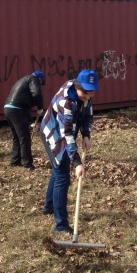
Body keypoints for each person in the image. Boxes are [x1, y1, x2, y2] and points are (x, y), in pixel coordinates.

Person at [41, 69, 99, 234]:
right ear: (77, 86)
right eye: (85, 93)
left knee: (58, 170)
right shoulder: (65, 102)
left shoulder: (85, 95)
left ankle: (49, 207)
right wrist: (77, 163)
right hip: (54, 134)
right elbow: (67, 135)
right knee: (62, 176)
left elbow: (87, 114)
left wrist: (86, 134)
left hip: (67, 133)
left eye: (91, 93)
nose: (88, 97)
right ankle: (61, 225)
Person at [4, 71, 46, 170]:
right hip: (16, 110)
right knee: (25, 138)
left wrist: (31, 123)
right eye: (41, 83)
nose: (40, 85)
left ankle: (15, 161)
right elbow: (36, 94)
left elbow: (24, 107)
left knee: (17, 137)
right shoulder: (34, 79)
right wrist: (40, 107)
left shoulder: (22, 81)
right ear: (40, 79)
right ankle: (28, 164)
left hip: (8, 109)